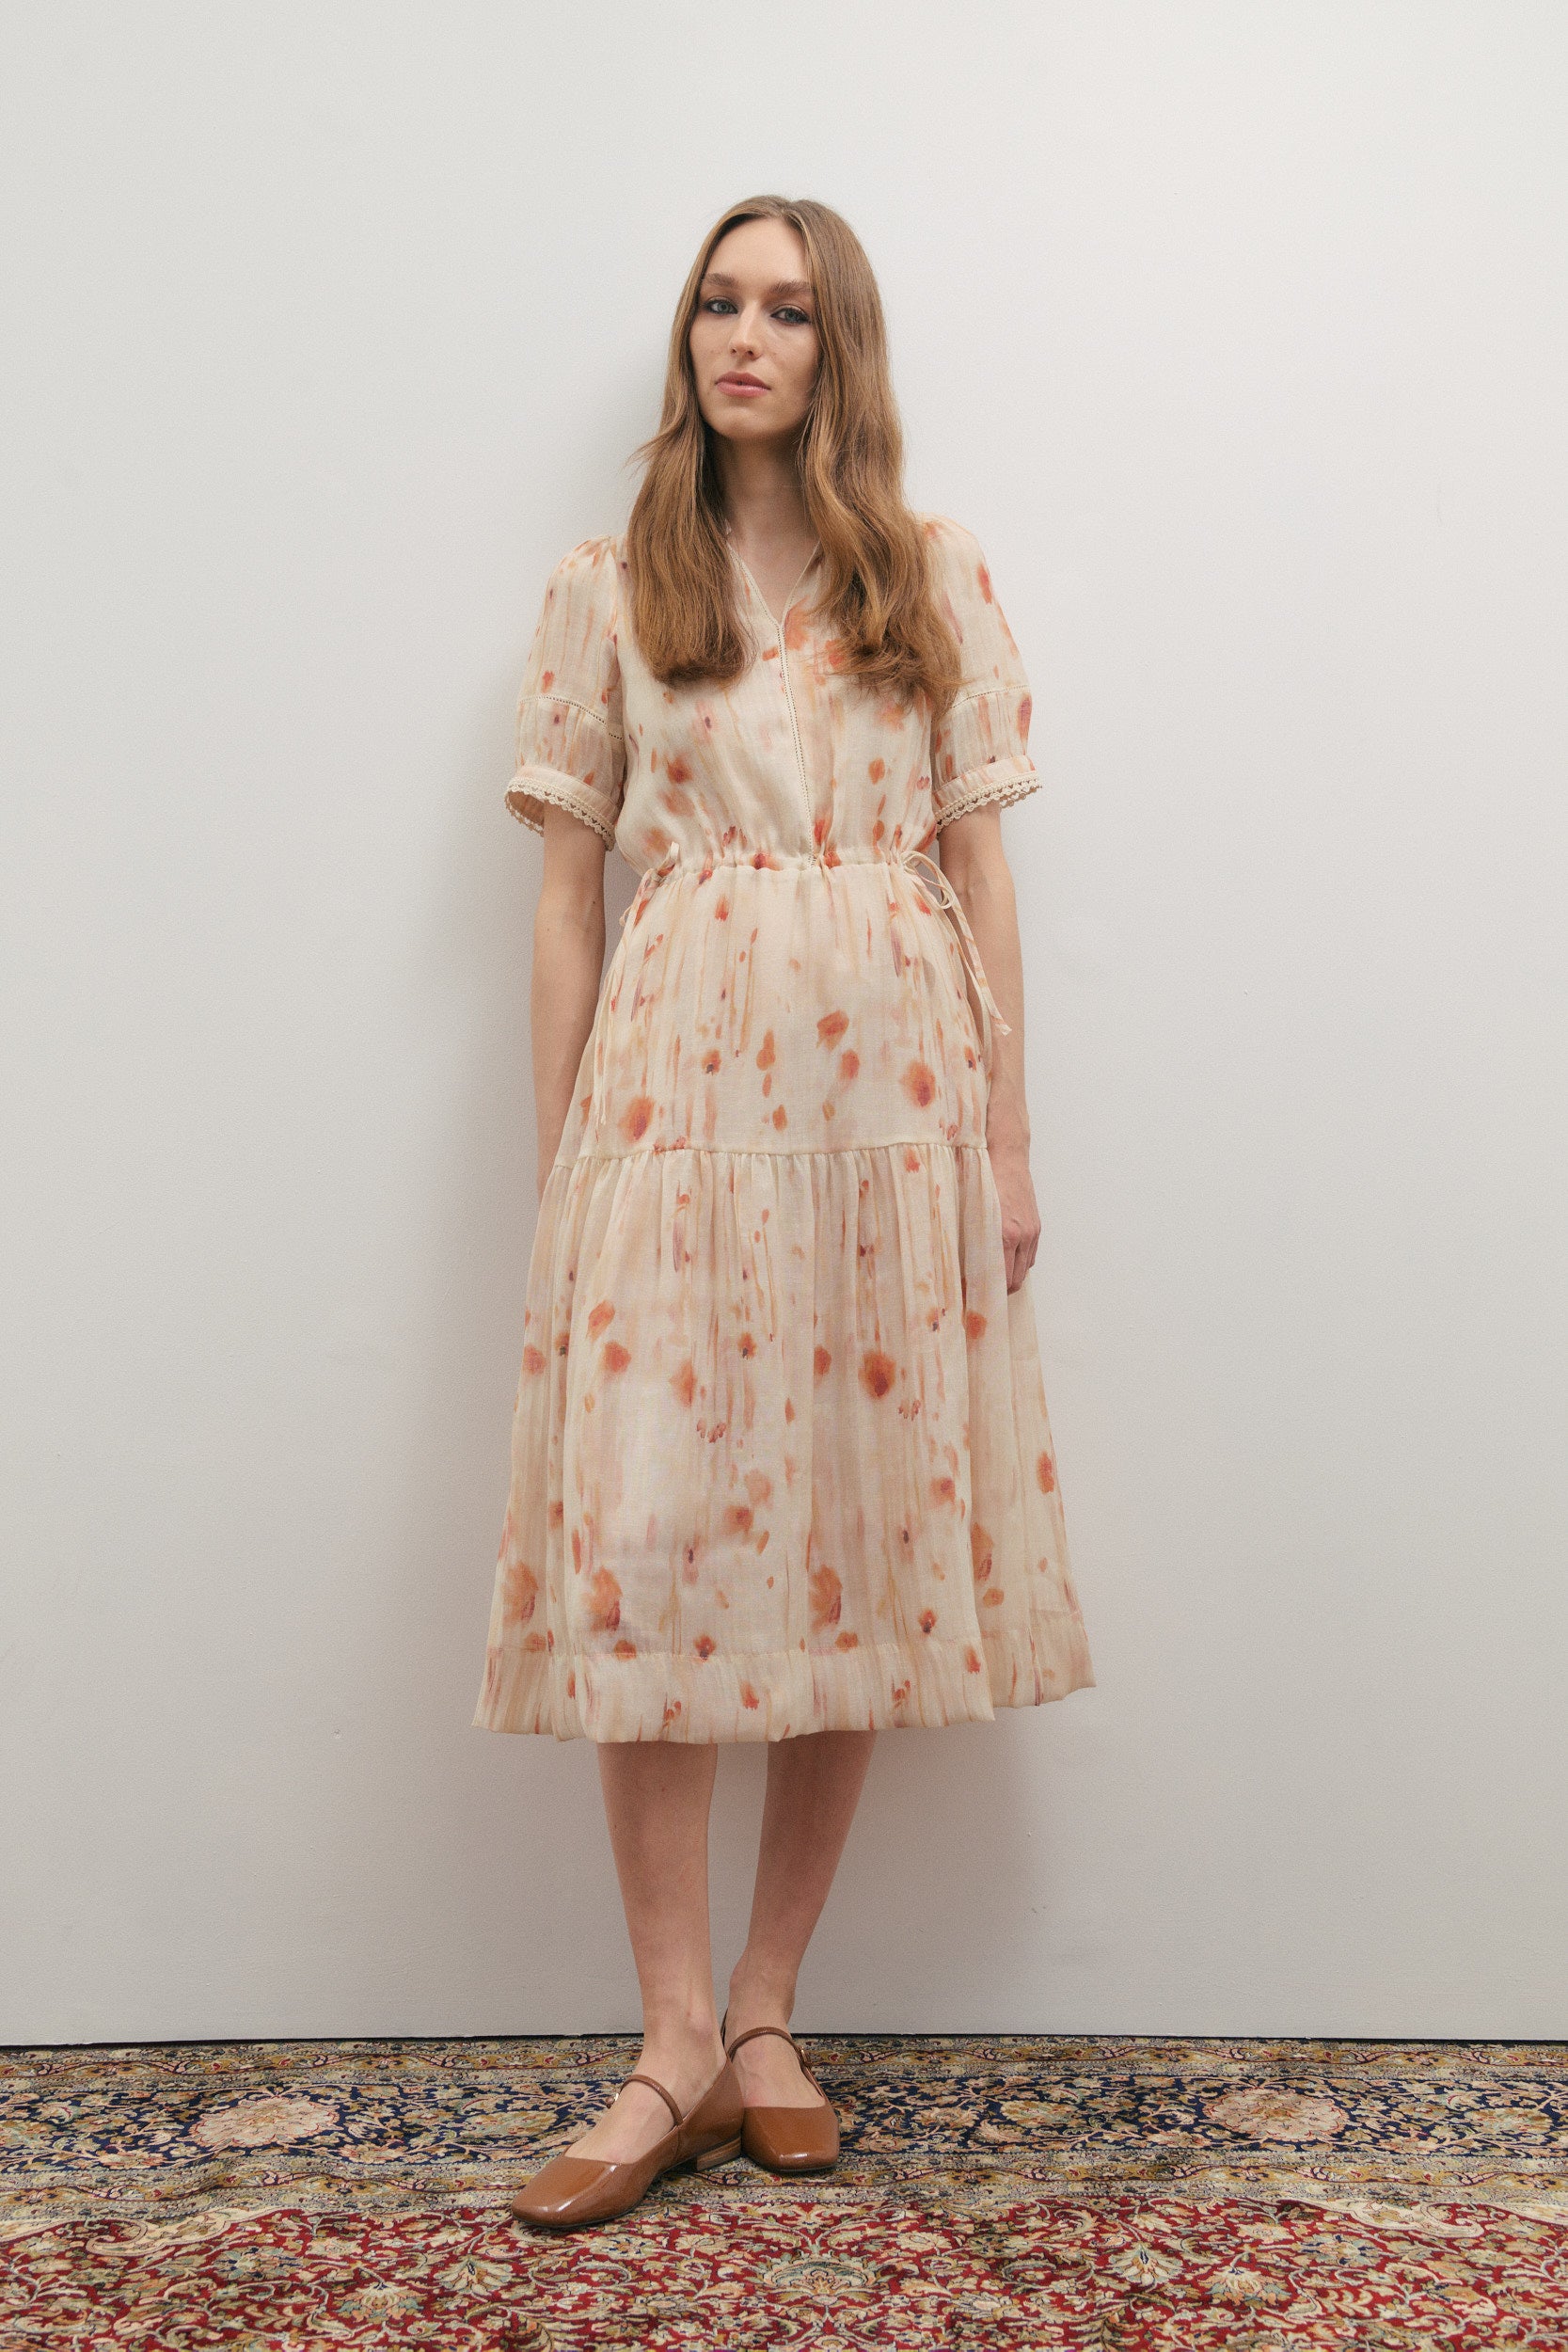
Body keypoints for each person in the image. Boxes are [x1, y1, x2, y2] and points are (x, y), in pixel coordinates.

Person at [473, 194, 1095, 2232]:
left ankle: (763, 2014)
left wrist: (1007, 1140)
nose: (746, 337)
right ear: (690, 340)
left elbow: (985, 876)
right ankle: (666, 2037)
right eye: (719, 304)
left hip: (891, 1108)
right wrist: (566, 1157)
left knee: (851, 1524)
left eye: (791, 310)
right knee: (648, 1543)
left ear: (842, 349)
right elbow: (564, 899)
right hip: (673, 1105)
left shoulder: (933, 574)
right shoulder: (606, 586)